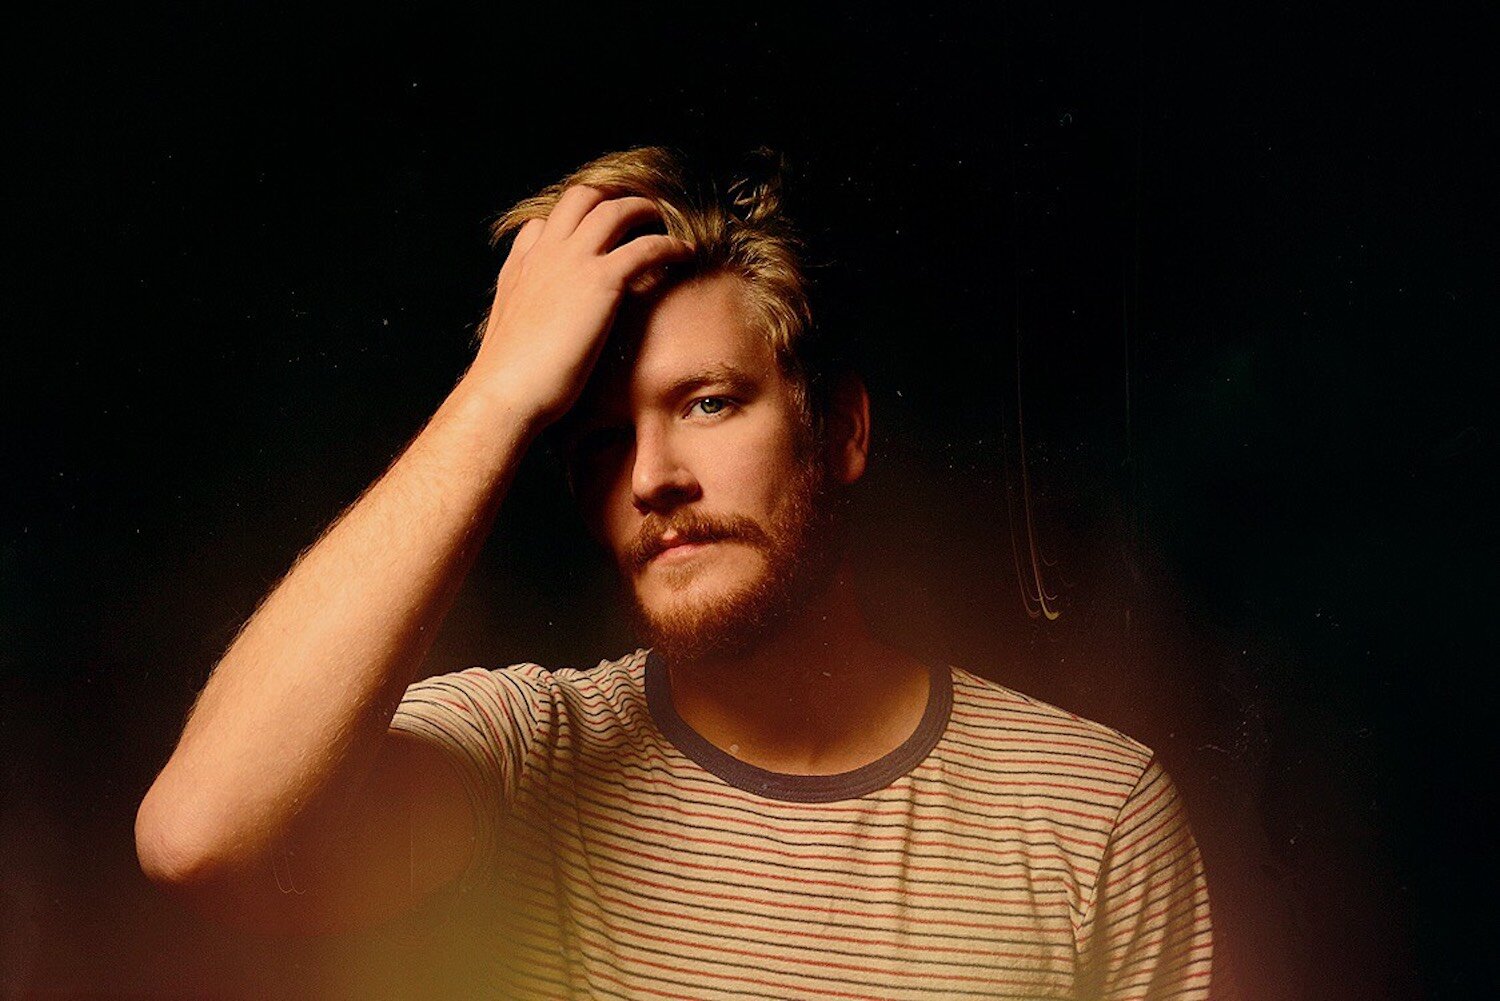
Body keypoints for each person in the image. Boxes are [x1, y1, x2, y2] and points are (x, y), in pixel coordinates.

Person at [136, 145, 1215, 999]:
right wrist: (497, 392)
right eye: (602, 441)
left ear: (841, 429)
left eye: (708, 402)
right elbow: (199, 836)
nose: (654, 476)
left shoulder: (1090, 813)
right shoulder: (526, 754)